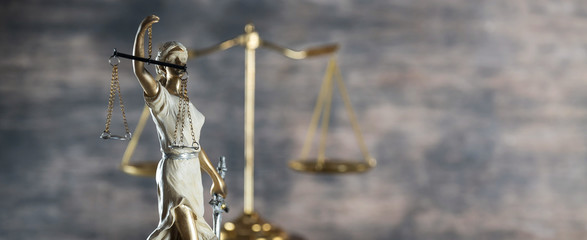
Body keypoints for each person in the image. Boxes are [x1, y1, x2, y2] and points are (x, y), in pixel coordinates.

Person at [132, 15, 227, 240]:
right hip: (173, 169)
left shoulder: (188, 106)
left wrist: (216, 178)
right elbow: (139, 70)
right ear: (163, 65)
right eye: (173, 59)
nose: (179, 63)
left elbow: (194, 147)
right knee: (181, 211)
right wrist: (141, 32)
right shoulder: (160, 98)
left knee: (191, 223)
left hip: (191, 171)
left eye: (182, 60)